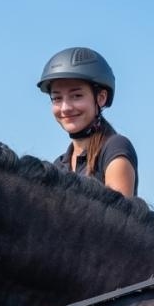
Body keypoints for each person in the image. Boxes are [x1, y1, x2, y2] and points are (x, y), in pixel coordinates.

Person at [39, 46, 138, 198]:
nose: (65, 108)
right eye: (57, 98)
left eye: (76, 96)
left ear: (101, 98)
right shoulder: (59, 166)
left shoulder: (114, 148)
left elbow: (118, 213)